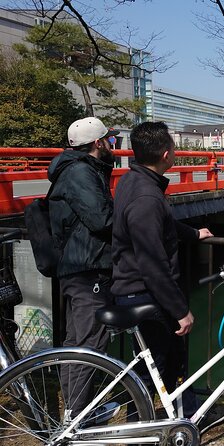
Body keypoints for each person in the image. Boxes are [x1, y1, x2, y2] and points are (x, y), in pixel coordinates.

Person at [111, 121, 224, 432]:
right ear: (166, 154)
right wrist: (180, 310)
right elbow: (152, 265)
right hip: (145, 293)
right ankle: (139, 430)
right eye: (174, 148)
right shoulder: (146, 197)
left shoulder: (133, 181)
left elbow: (163, 226)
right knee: (153, 369)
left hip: (139, 289)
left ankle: (188, 417)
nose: (175, 152)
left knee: (174, 362)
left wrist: (192, 233)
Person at [48, 116, 118, 421]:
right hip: (87, 268)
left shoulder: (77, 170)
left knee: (77, 343)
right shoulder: (80, 172)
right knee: (90, 344)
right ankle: (77, 417)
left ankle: (77, 410)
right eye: (110, 140)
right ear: (97, 143)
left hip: (78, 267)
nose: (112, 144)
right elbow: (101, 219)